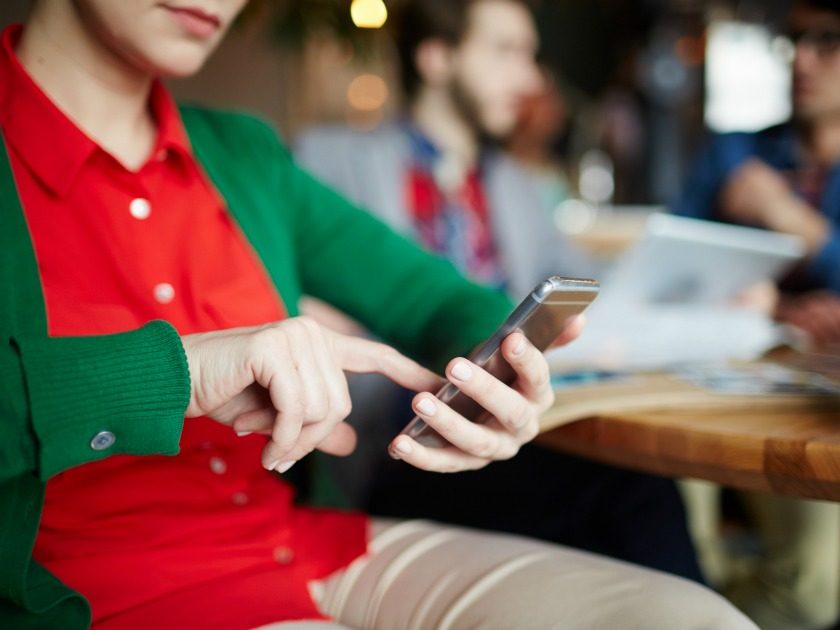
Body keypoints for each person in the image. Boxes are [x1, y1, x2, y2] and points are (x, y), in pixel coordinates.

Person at [0, 1, 757, 628]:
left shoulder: (243, 152)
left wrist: (497, 364)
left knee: (693, 618)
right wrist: (179, 374)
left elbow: (429, 296)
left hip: (303, 545)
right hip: (89, 590)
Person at [296, 0, 705, 583]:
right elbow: (288, 296)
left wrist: (694, 290)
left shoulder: (519, 183)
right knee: (629, 491)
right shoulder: (328, 158)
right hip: (388, 445)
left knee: (625, 495)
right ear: (437, 57)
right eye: (507, 51)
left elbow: (586, 285)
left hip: (508, 431)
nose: (533, 78)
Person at [672, 1, 840, 627]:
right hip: (708, 380)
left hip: (816, 404)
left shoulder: (752, 175)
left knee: (815, 582)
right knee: (670, 548)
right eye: (795, 40)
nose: (802, 58)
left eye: (827, 40)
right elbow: (670, 267)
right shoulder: (733, 153)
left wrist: (795, 223)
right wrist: (781, 307)